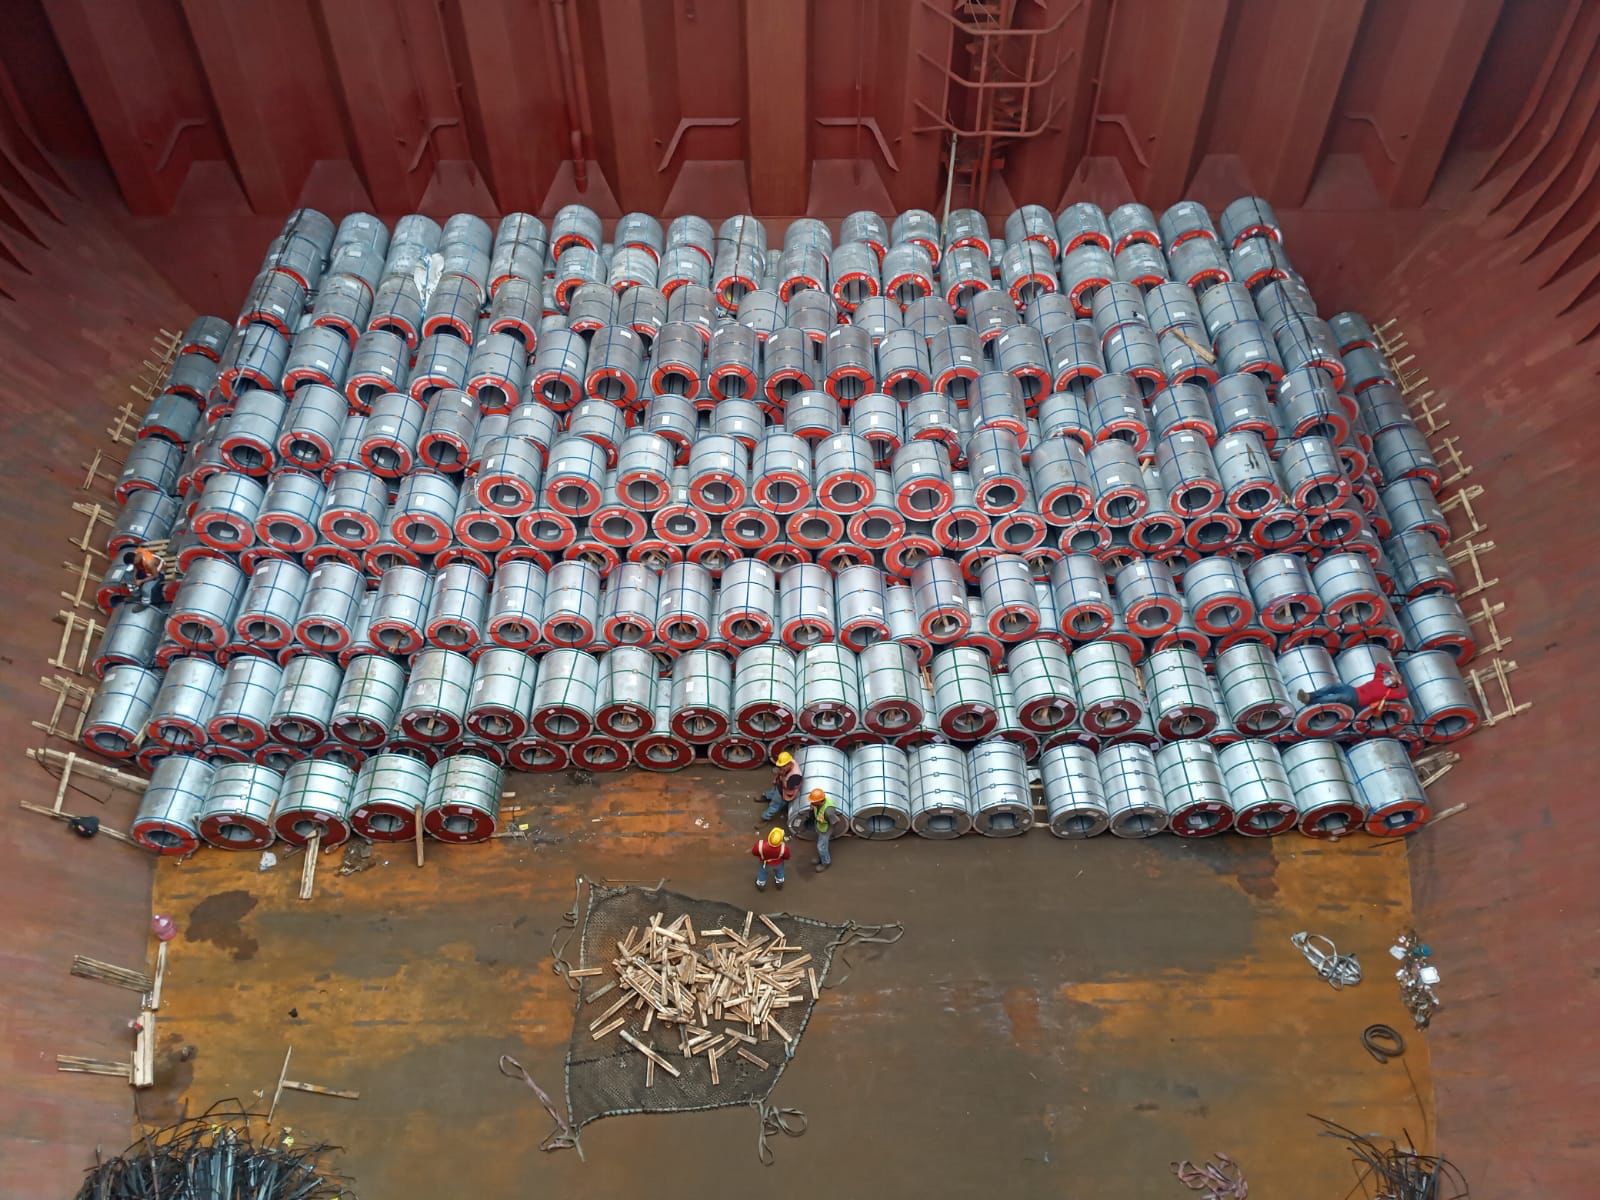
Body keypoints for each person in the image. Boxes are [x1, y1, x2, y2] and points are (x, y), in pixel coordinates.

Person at [1298, 665, 1405, 714]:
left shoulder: (1388, 692)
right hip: (1354, 690)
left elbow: (1404, 694)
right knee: (1334, 686)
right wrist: (1391, 671)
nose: (1389, 680)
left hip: (1357, 700)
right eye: (1390, 677)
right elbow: (1379, 666)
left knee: (1337, 697)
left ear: (1394, 685)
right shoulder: (1379, 678)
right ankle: (1310, 695)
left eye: (1392, 681)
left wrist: (1399, 682)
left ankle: (1310, 702)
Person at [758, 750, 803, 825]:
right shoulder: (789, 761)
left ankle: (765, 817)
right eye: (781, 766)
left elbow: (789, 788)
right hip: (779, 785)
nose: (781, 768)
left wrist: (782, 776)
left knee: (775, 805)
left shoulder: (795, 776)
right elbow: (781, 772)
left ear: (789, 764)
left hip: (784, 792)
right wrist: (778, 777)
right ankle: (766, 796)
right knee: (773, 791)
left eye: (783, 766)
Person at [808, 787, 846, 873]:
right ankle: (821, 857)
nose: (811, 802)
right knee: (821, 845)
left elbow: (836, 821)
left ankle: (825, 862)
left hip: (825, 830)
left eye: (813, 801)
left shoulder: (828, 811)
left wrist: (827, 834)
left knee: (821, 847)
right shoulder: (817, 804)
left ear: (819, 801)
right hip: (820, 826)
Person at [751, 827, 790, 891]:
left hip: (765, 863)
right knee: (780, 873)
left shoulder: (760, 845)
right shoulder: (783, 848)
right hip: (778, 864)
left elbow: (754, 852)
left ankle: (761, 885)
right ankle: (779, 883)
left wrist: (762, 857)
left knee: (762, 873)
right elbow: (787, 857)